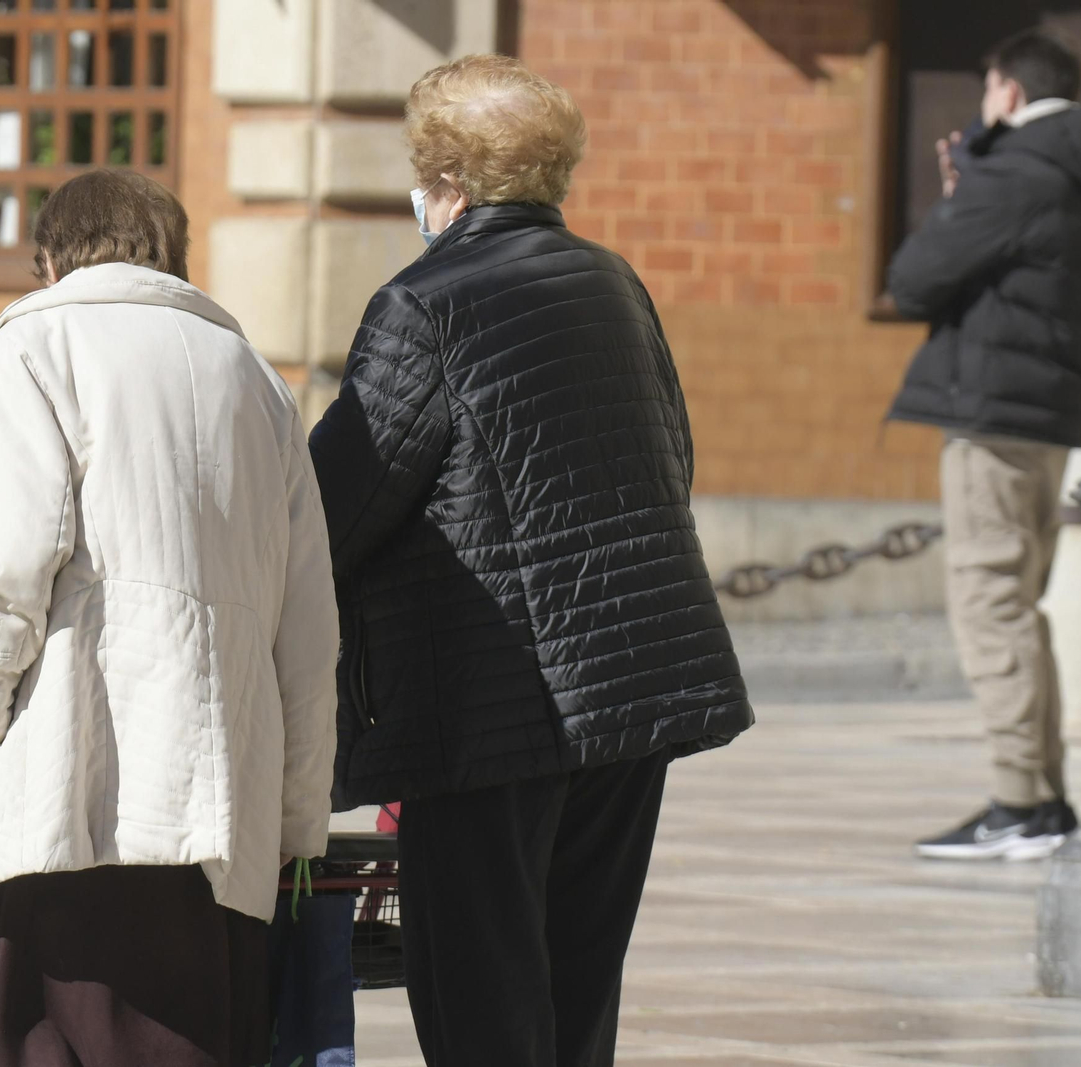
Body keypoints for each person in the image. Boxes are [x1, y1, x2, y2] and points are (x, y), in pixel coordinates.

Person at [308, 54, 754, 1065]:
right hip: (632, 690)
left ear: (448, 179)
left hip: (490, 706)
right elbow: (670, 454)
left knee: (479, 1001)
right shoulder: (612, 279)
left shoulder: (425, 302)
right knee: (574, 990)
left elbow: (342, 502)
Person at [0, 169, 338, 1066]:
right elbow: (308, 629)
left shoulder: (34, 344)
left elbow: (2, 562)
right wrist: (294, 821)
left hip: (50, 792)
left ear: (49, 259)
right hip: (211, 820)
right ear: (172, 258)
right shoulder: (257, 380)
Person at [884, 32, 1081, 861]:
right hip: (1052, 412)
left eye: (987, 93)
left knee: (989, 600)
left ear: (1011, 94)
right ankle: (1041, 797)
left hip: (992, 413)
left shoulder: (1015, 170)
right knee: (1017, 604)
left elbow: (914, 277)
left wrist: (959, 192)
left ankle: (1022, 801)